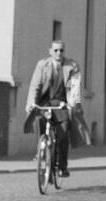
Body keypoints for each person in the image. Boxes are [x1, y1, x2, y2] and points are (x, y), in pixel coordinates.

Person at [23, 40, 78, 177]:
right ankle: (41, 150)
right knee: (38, 121)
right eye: (56, 50)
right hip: (45, 102)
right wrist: (31, 103)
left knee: (63, 134)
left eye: (61, 50)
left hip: (61, 104)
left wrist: (71, 104)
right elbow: (35, 85)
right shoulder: (42, 65)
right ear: (50, 51)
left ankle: (62, 167)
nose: (58, 53)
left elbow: (75, 88)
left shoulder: (71, 66)